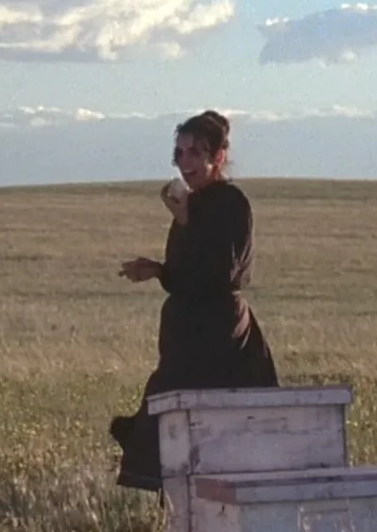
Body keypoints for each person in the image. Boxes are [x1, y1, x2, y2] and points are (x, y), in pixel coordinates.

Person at [109, 110, 278, 491]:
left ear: (218, 157)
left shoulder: (230, 202)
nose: (186, 162)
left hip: (219, 332)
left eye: (196, 153)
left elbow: (220, 273)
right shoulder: (194, 203)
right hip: (186, 328)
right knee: (172, 420)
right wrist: (157, 270)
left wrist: (186, 221)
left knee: (198, 416)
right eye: (180, 153)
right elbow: (184, 272)